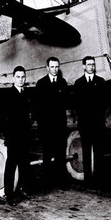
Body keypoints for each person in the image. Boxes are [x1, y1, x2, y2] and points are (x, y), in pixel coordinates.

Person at [35, 57, 70, 190]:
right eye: (52, 67)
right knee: (48, 155)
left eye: (57, 67)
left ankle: (61, 182)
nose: (55, 69)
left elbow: (65, 103)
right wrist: (42, 126)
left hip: (60, 126)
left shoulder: (62, 82)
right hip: (47, 128)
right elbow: (38, 107)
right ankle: (48, 182)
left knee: (60, 155)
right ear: (47, 68)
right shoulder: (41, 83)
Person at [73, 56, 108, 188]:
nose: (92, 67)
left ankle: (99, 178)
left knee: (99, 152)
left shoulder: (101, 82)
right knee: (86, 152)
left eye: (93, 64)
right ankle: (88, 180)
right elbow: (76, 104)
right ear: (84, 66)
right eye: (89, 64)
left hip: (98, 124)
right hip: (85, 124)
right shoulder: (78, 83)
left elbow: (104, 103)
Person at [3, 66, 33, 206]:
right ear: (13, 78)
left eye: (23, 77)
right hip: (14, 138)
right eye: (18, 77)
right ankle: (9, 194)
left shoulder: (27, 94)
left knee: (24, 165)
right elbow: (3, 118)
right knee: (11, 167)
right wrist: (8, 137)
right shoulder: (8, 95)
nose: (21, 80)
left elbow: (30, 114)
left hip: (25, 137)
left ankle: (22, 189)